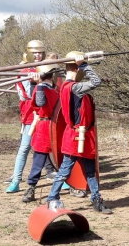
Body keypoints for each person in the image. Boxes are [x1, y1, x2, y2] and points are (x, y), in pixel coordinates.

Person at [46, 51, 112, 214]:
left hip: (81, 136)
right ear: (77, 69)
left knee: (90, 171)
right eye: (81, 69)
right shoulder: (75, 87)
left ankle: (96, 199)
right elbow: (95, 81)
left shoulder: (66, 87)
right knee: (64, 170)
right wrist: (83, 64)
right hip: (76, 137)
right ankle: (52, 198)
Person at [6, 41, 57, 193]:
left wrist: (43, 78)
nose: (38, 55)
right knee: (25, 148)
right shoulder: (23, 70)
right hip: (31, 116)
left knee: (53, 148)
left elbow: (54, 89)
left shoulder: (46, 68)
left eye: (40, 52)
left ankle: (64, 178)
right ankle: (15, 181)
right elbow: (27, 95)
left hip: (47, 116)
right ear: (29, 53)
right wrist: (34, 81)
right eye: (35, 52)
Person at [22, 62, 60, 202]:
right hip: (52, 126)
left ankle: (31, 187)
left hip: (47, 125)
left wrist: (37, 84)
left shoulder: (47, 88)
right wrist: (36, 83)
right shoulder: (56, 88)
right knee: (50, 159)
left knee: (43, 159)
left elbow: (40, 102)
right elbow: (40, 102)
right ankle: (31, 187)